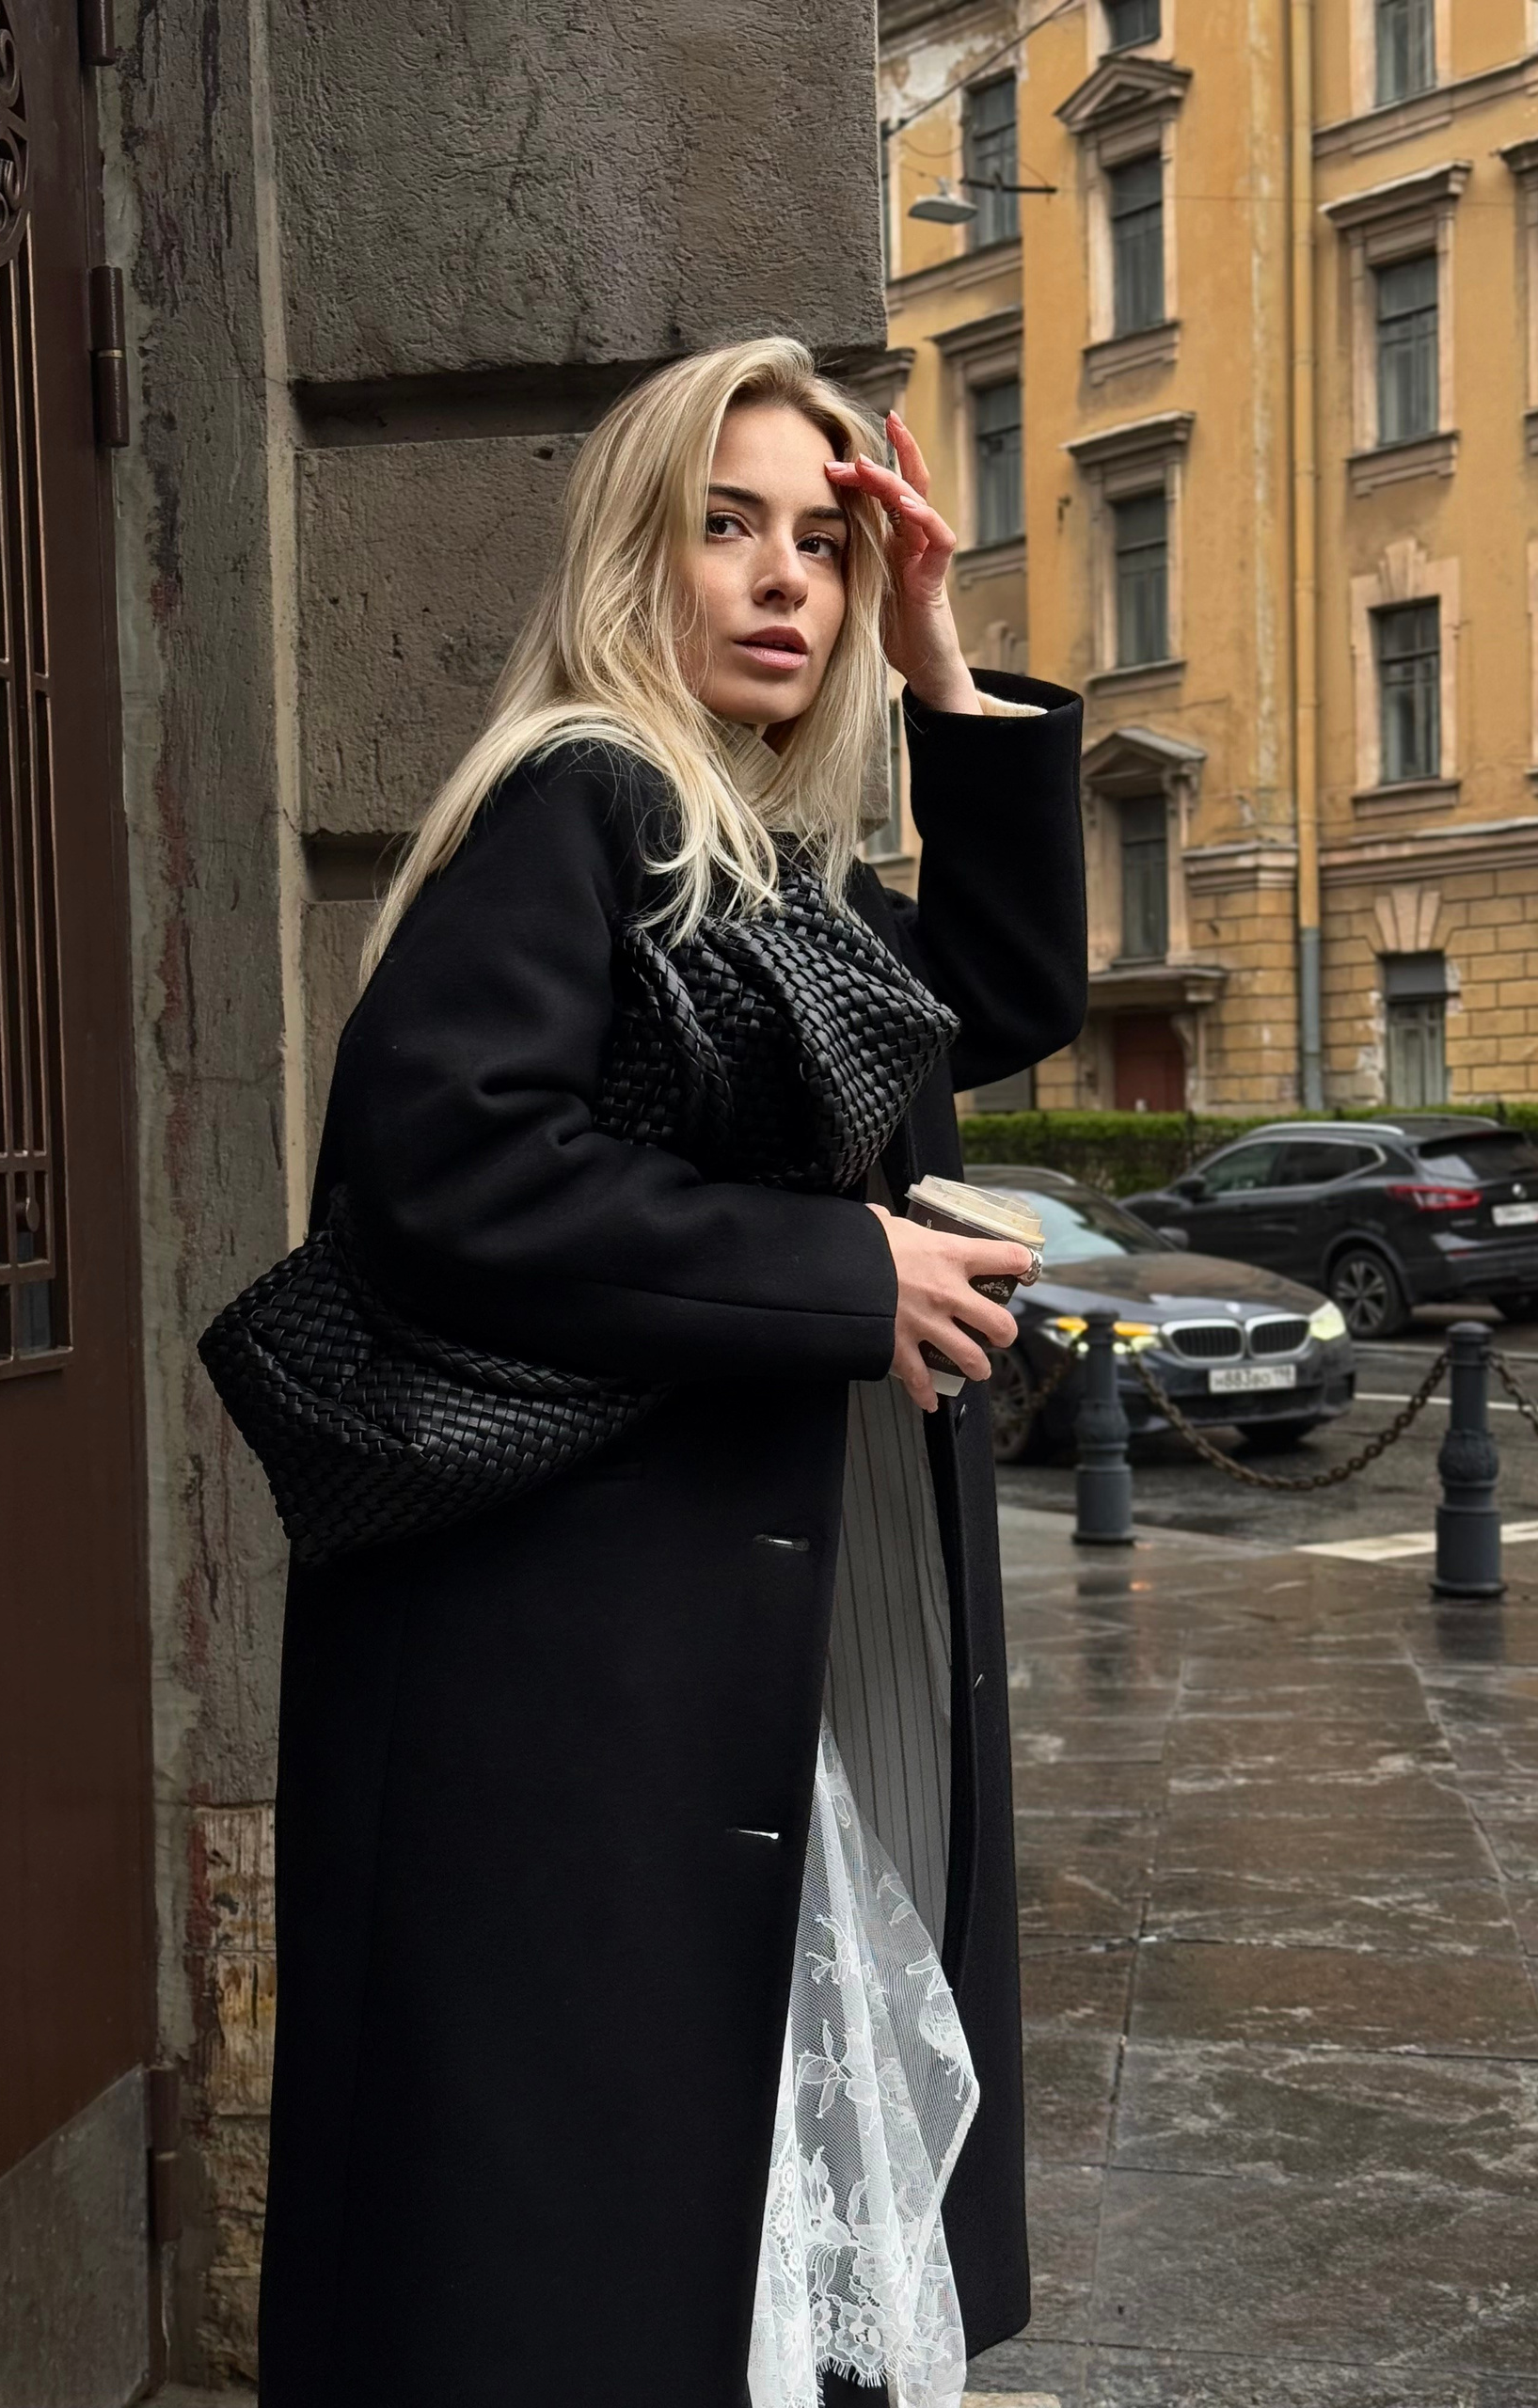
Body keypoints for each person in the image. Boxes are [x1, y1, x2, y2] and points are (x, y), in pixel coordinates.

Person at [256, 336, 1086, 2407]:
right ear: (635, 553)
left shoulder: (767, 855)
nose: (786, 576)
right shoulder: (587, 798)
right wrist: (841, 1268)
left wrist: (937, 656)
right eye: (728, 527)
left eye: (825, 539)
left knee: (669, 2207)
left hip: (690, 1643)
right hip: (565, 1654)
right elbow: (448, 1163)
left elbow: (998, 991)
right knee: (567, 2222)